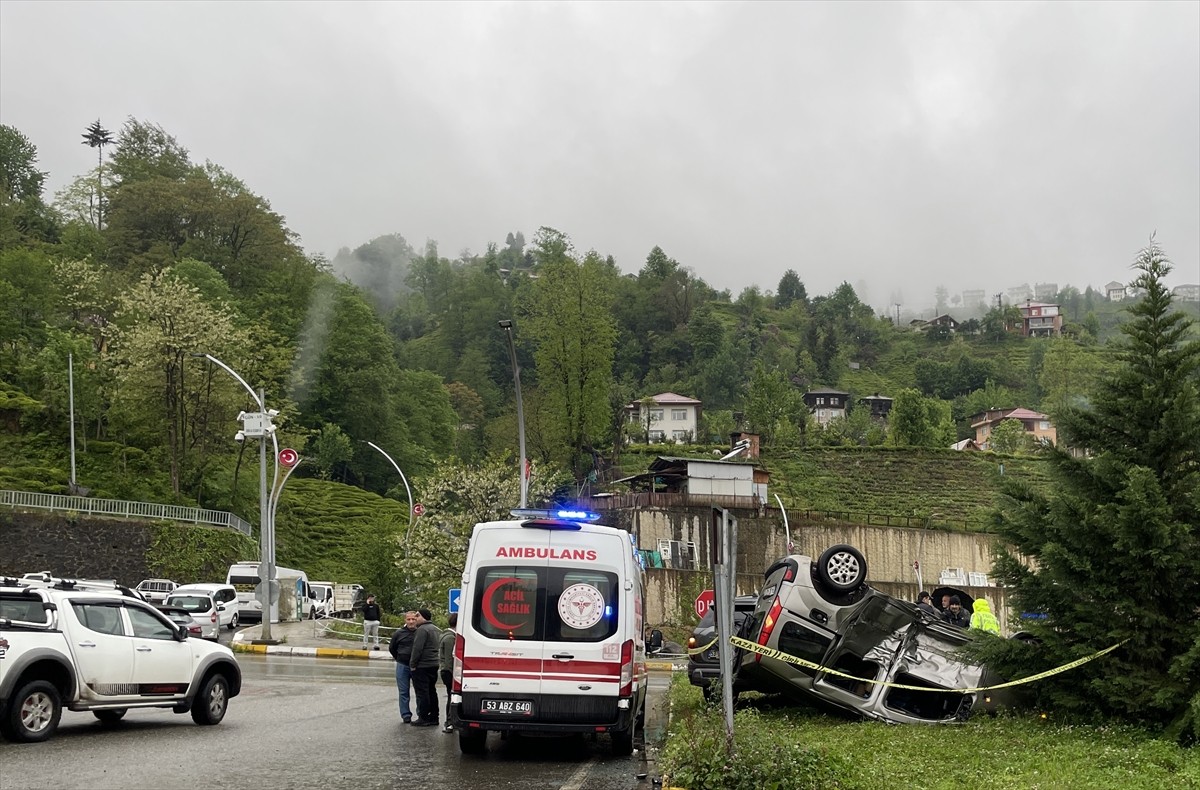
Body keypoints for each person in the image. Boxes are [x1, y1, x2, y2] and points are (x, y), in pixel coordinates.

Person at [409, 608, 442, 727]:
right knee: (432, 691)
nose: (415, 618)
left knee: (422, 692)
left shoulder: (422, 630)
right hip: (433, 664)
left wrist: (413, 664)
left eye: (417, 616)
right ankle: (434, 717)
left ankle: (423, 717)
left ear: (423, 617)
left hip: (422, 665)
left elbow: (417, 649)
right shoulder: (434, 629)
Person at [387, 611, 418, 722]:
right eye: (408, 619)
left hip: (417, 666)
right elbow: (392, 648)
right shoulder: (398, 633)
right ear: (405, 620)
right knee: (403, 691)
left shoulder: (421, 632)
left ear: (417, 620)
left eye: (413, 619)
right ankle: (406, 715)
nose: (411, 622)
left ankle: (421, 714)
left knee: (419, 691)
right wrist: (399, 657)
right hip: (402, 665)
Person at [438, 612, 457, 732]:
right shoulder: (451, 638)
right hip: (448, 671)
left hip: (445, 670)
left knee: (451, 696)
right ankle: (449, 722)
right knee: (452, 696)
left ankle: (449, 722)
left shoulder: (446, 635)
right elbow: (450, 658)